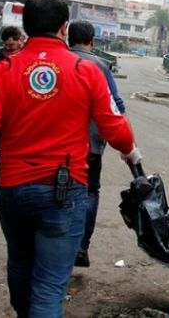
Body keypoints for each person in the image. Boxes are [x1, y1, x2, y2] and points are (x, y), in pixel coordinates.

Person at [0, 0, 139, 318]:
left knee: (20, 269)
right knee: (49, 290)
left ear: (26, 27)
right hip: (65, 192)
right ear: (64, 28)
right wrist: (130, 151)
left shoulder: (2, 71)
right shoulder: (85, 70)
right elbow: (113, 125)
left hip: (14, 191)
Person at [67, 20, 126, 268]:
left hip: (58, 144)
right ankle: (81, 246)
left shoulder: (58, 61)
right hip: (91, 145)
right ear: (92, 40)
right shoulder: (101, 66)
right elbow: (117, 106)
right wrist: (126, 145)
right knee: (89, 192)